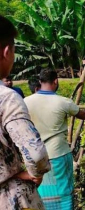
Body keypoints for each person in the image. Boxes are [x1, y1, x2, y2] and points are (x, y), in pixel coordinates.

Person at [24, 69, 85, 209]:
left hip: (34, 155)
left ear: (40, 82)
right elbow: (81, 114)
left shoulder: (25, 102)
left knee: (42, 187)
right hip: (58, 153)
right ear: (55, 81)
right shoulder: (62, 101)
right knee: (63, 188)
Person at [0, 15, 51, 209]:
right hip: (10, 198)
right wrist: (35, 173)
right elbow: (36, 155)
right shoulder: (7, 98)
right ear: (6, 51)